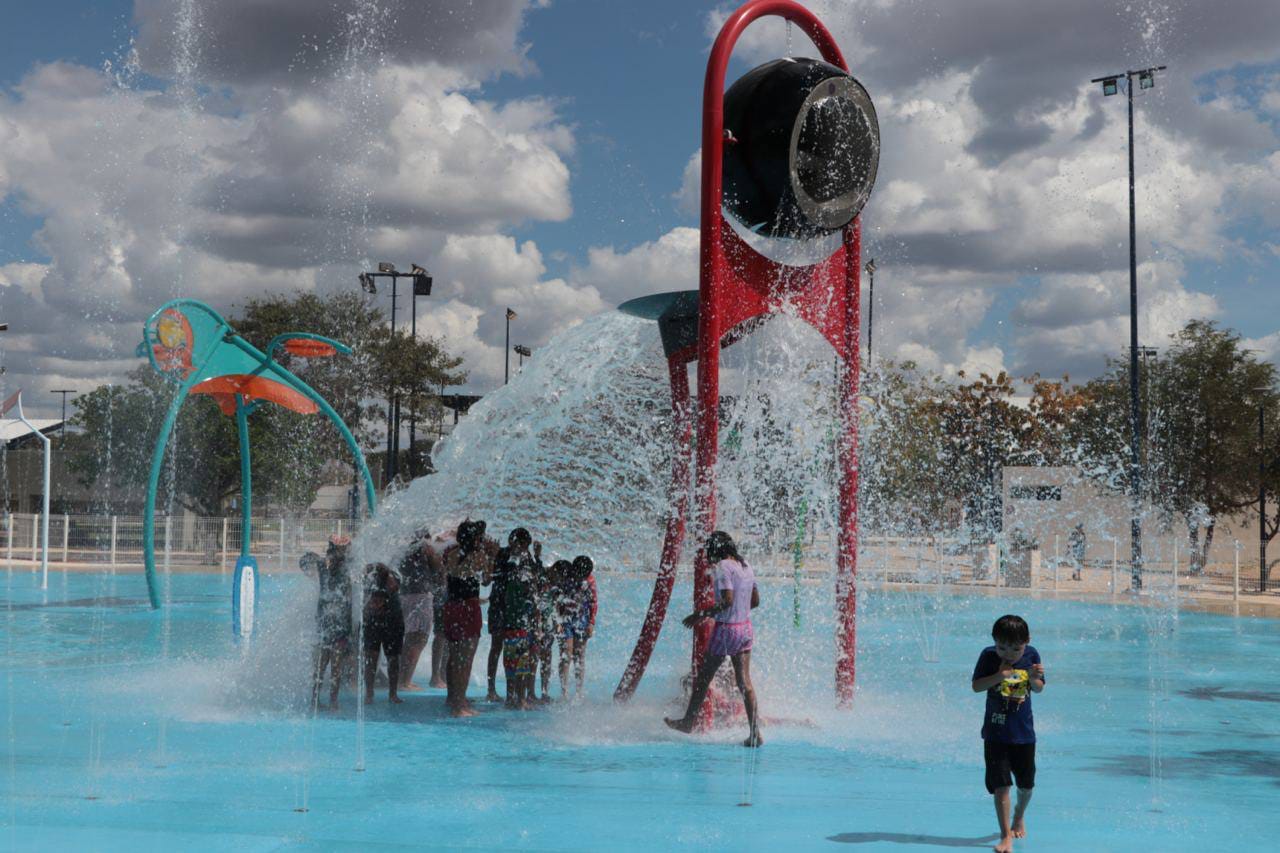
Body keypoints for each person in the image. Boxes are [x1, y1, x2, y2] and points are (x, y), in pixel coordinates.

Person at [665, 532, 762, 747]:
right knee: (745, 682)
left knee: (703, 677)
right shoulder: (746, 566)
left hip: (726, 630)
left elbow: (726, 601)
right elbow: (755, 601)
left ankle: (688, 722)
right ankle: (755, 733)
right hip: (746, 629)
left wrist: (699, 615)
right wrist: (739, 610)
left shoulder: (723, 567)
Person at [970, 614, 1046, 853]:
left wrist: (1034, 680)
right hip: (995, 732)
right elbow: (976, 686)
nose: (1008, 653)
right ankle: (1005, 837)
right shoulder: (989, 656)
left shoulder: (1032, 655)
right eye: (1002, 647)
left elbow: (1040, 689)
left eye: (1015, 649)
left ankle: (1019, 816)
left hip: (1023, 733)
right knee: (1001, 785)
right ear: (994, 641)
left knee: (1026, 784)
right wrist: (998, 676)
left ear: (1026, 642)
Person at [441, 520, 493, 717]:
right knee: (466, 659)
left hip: (451, 608)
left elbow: (456, 579)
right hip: (468, 610)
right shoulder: (478, 556)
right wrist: (492, 554)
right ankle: (460, 706)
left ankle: (453, 697)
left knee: (454, 657)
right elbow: (487, 578)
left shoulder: (449, 553)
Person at [311, 536, 353, 711]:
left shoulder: (339, 569)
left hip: (334, 624)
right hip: (332, 624)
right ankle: (323, 701)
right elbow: (307, 559)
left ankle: (325, 700)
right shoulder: (329, 569)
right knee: (327, 667)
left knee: (330, 667)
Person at [501, 529, 539, 709]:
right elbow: (531, 588)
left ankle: (510, 698)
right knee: (521, 663)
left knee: (510, 661)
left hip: (509, 622)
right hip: (521, 624)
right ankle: (521, 699)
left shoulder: (507, 562)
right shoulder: (519, 567)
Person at [362, 563, 405, 704]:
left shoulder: (394, 576)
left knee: (393, 658)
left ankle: (392, 693)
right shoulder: (370, 578)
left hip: (393, 622)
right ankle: (369, 692)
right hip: (373, 622)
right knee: (371, 658)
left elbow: (396, 587)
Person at [397, 528, 434, 691]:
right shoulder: (425, 552)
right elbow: (437, 572)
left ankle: (402, 679)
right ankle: (405, 681)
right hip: (420, 598)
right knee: (419, 639)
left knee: (410, 639)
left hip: (405, 596)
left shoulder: (406, 553)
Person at [557, 555, 598, 701]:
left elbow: (594, 603)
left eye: (585, 576)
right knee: (566, 654)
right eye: (580, 575)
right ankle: (564, 691)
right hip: (565, 620)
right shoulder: (566, 578)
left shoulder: (590, 581)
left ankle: (579, 692)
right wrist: (558, 622)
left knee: (579, 655)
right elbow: (557, 599)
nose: (582, 579)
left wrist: (591, 623)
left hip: (582, 620)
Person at [426, 527, 454, 689]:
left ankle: (442, 673)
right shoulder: (438, 547)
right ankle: (435, 676)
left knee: (448, 637)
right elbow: (438, 570)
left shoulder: (451, 547)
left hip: (449, 595)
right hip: (442, 596)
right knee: (441, 635)